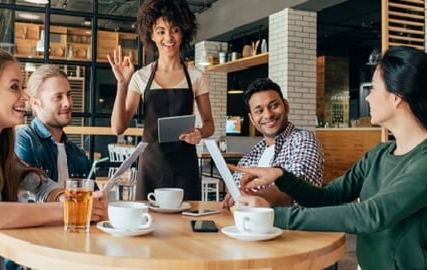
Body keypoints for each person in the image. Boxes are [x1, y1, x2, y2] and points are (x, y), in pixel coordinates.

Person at [229, 46, 427, 270]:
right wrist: (281, 176)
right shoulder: (378, 155)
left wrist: (270, 216)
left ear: (396, 98)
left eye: (373, 88)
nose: (368, 97)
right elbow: (327, 197)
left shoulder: (423, 161)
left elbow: (371, 215)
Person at [0, 47, 106, 270]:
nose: (25, 97)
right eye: (14, 87)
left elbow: (36, 183)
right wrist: (69, 210)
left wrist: (63, 197)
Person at [108, 0, 214, 200]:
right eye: (161, 31)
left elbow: (210, 124)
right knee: (149, 227)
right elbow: (118, 128)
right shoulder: (141, 77)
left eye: (174, 30)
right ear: (152, 35)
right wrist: (122, 84)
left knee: (185, 228)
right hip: (151, 167)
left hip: (185, 167)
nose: (168, 37)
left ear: (183, 32)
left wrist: (199, 132)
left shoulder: (196, 76)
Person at [221, 78, 324, 208]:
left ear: (286, 106)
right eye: (259, 111)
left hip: (291, 226)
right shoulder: (254, 153)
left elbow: (297, 188)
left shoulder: (303, 140)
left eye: (274, 105)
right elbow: (237, 189)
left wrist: (255, 198)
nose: (268, 115)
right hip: (250, 224)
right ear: (252, 119)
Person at [16, 64, 91, 184]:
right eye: (58, 97)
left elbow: (93, 196)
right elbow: (25, 194)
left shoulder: (77, 154)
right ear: (35, 103)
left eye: (69, 95)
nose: (67, 103)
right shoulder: (24, 140)